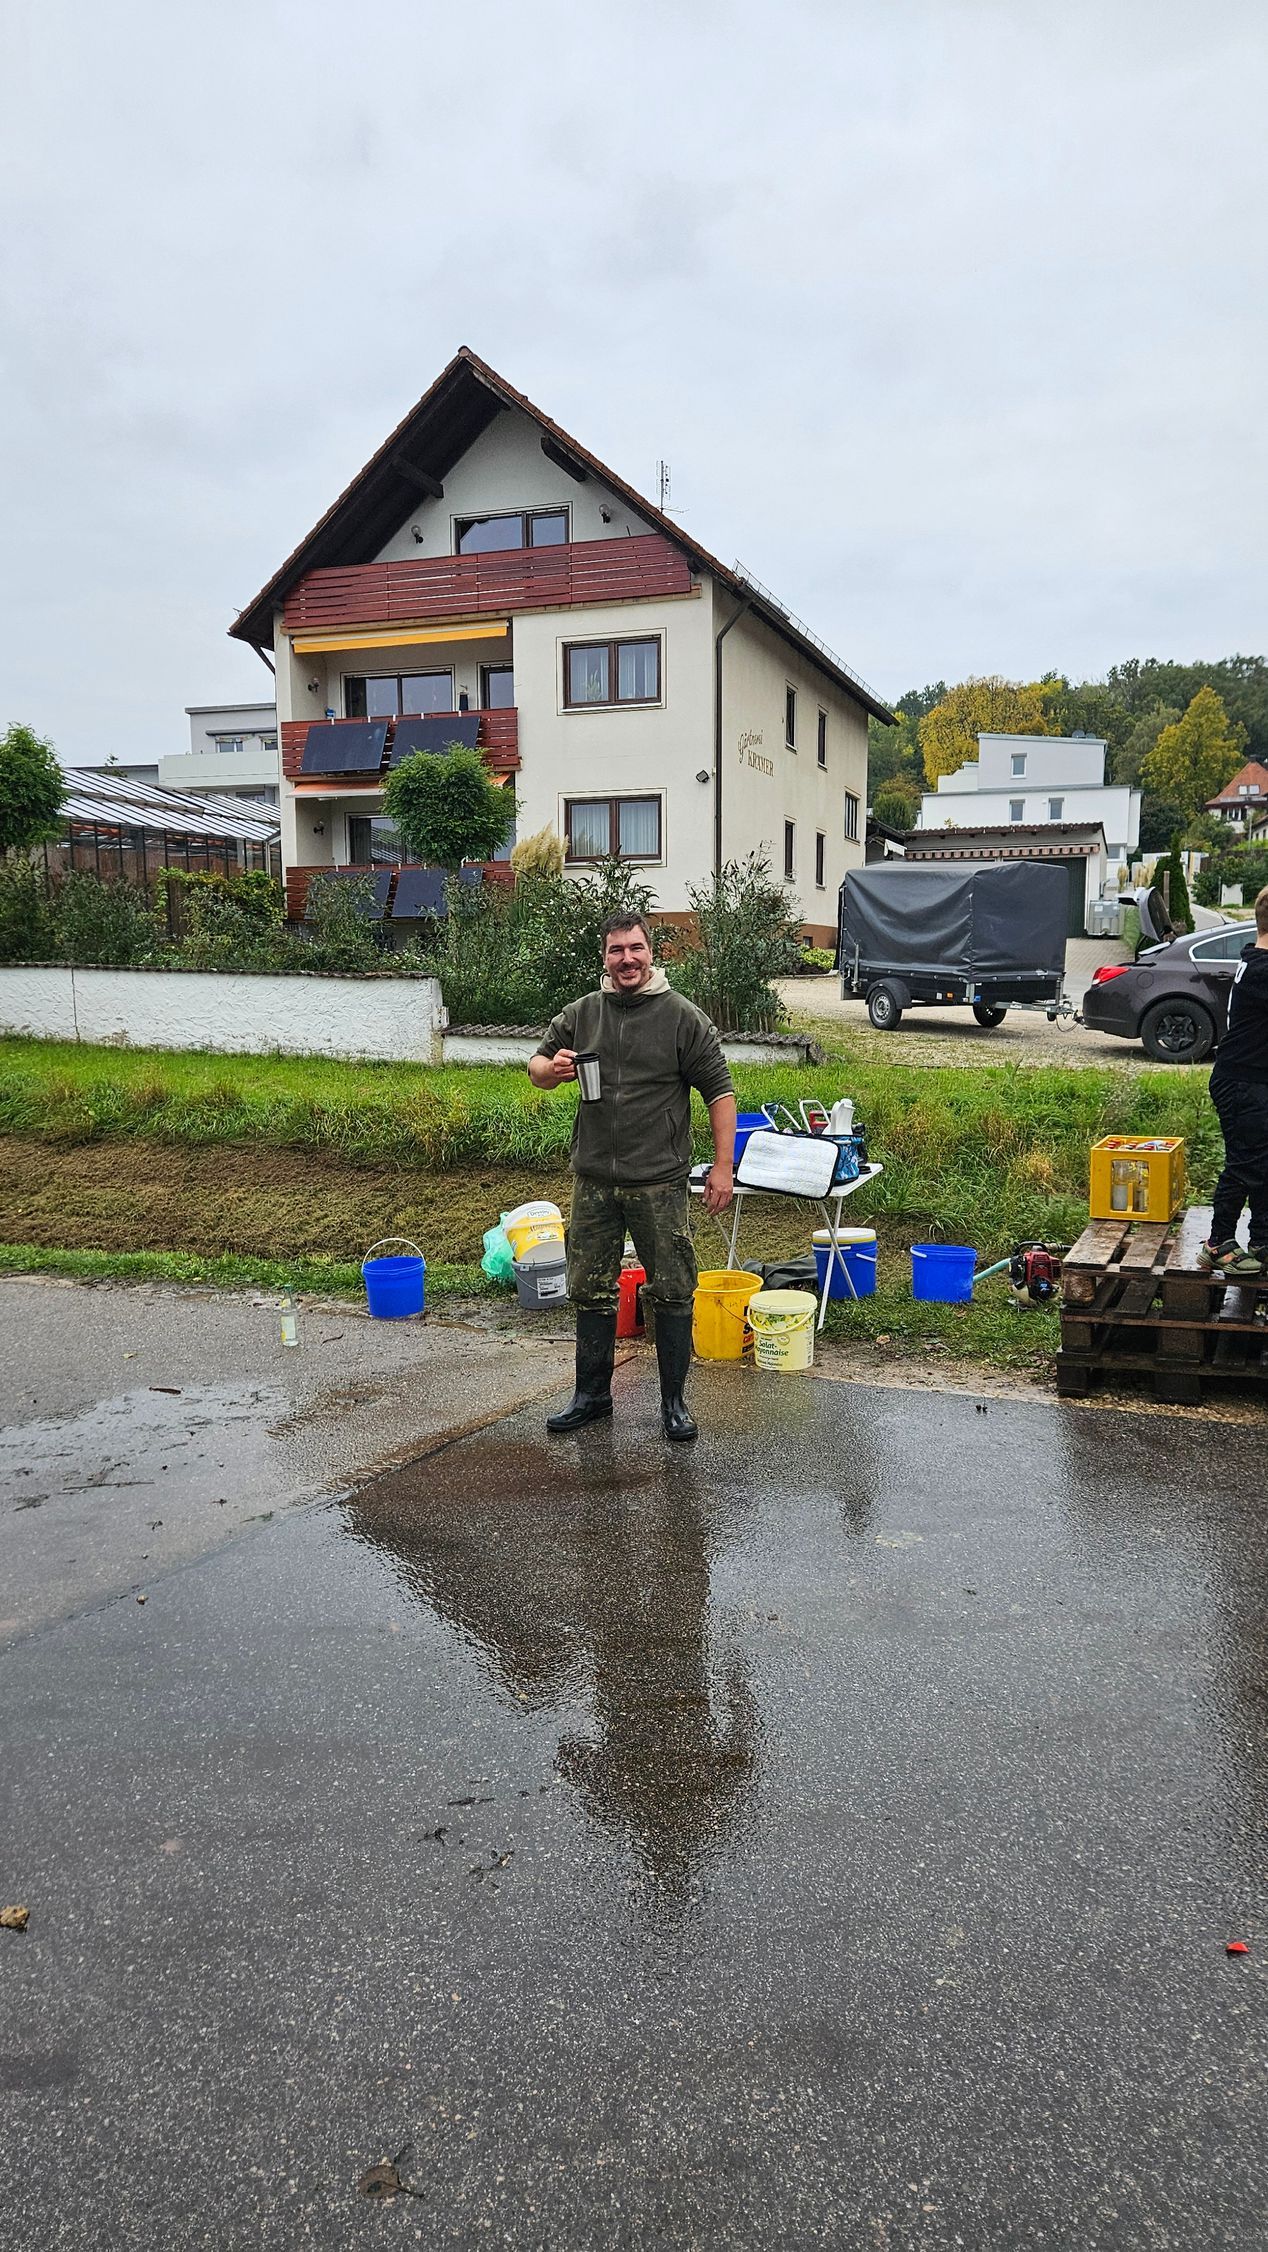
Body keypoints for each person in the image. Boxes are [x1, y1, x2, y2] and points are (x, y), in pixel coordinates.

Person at [528, 912, 737, 1442]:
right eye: (617, 950)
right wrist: (551, 1070)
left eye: (635, 948)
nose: (627, 959)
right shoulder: (583, 1013)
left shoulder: (682, 1017)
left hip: (659, 1181)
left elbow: (719, 1091)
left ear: (651, 952)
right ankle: (592, 1396)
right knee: (589, 1288)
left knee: (672, 1289)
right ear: (605, 957)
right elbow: (536, 1067)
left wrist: (723, 1167)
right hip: (594, 1179)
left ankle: (674, 1403)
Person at [1202, 884, 1268, 1278]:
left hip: (1251, 1079)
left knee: (1262, 1163)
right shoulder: (1262, 970)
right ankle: (1218, 1243)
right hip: (1243, 1083)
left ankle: (1262, 1239)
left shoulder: (1255, 962)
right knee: (1245, 1164)